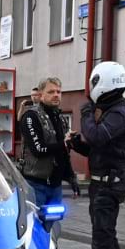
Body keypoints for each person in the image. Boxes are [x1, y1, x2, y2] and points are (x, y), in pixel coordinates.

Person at [68, 61, 125, 249]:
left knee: (102, 241)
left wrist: (86, 113)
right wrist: (77, 144)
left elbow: (96, 135)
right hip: (104, 184)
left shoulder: (119, 113)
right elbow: (98, 147)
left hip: (108, 186)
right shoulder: (115, 110)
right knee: (109, 238)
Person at [20, 78, 77, 207]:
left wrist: (71, 177)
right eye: (51, 92)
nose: (56, 95)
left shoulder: (60, 117)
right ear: (40, 95)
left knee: (51, 225)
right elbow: (38, 149)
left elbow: (64, 152)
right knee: (34, 224)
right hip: (36, 183)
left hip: (55, 185)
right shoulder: (31, 116)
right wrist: (63, 144)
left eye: (59, 91)